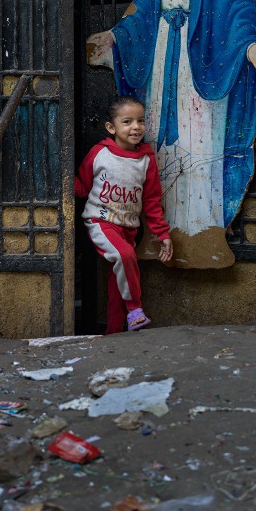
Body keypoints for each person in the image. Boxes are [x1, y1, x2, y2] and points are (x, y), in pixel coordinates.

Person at [87, 0, 256, 270]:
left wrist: (251, 44)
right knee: (157, 141)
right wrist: (115, 36)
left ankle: (204, 234)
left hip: (201, 55)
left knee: (198, 137)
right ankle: (157, 232)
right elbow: (147, 5)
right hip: (163, 57)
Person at [75, 96, 173, 334]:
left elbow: (151, 201)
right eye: (127, 121)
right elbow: (83, 185)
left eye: (140, 121)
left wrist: (162, 233)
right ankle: (135, 310)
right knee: (125, 255)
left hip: (129, 227)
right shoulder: (99, 154)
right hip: (101, 221)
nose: (135, 127)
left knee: (119, 281)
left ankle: (114, 332)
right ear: (112, 127)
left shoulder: (146, 160)